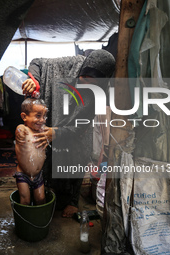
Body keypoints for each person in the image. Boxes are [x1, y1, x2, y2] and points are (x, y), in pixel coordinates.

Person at [21, 49, 116, 217]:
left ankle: (72, 200)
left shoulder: (101, 93)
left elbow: (82, 125)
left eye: (92, 82)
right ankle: (46, 189)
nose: (85, 84)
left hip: (76, 129)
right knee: (45, 155)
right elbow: (38, 62)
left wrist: (59, 133)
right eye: (84, 77)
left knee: (77, 156)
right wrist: (33, 79)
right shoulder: (72, 63)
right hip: (51, 117)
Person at [14, 98, 48, 205]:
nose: (42, 120)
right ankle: (25, 219)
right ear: (24, 117)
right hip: (23, 174)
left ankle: (39, 219)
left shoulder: (42, 131)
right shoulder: (23, 130)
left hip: (38, 175)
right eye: (38, 116)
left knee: (41, 199)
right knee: (25, 200)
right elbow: (19, 129)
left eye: (44, 116)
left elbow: (51, 132)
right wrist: (19, 130)